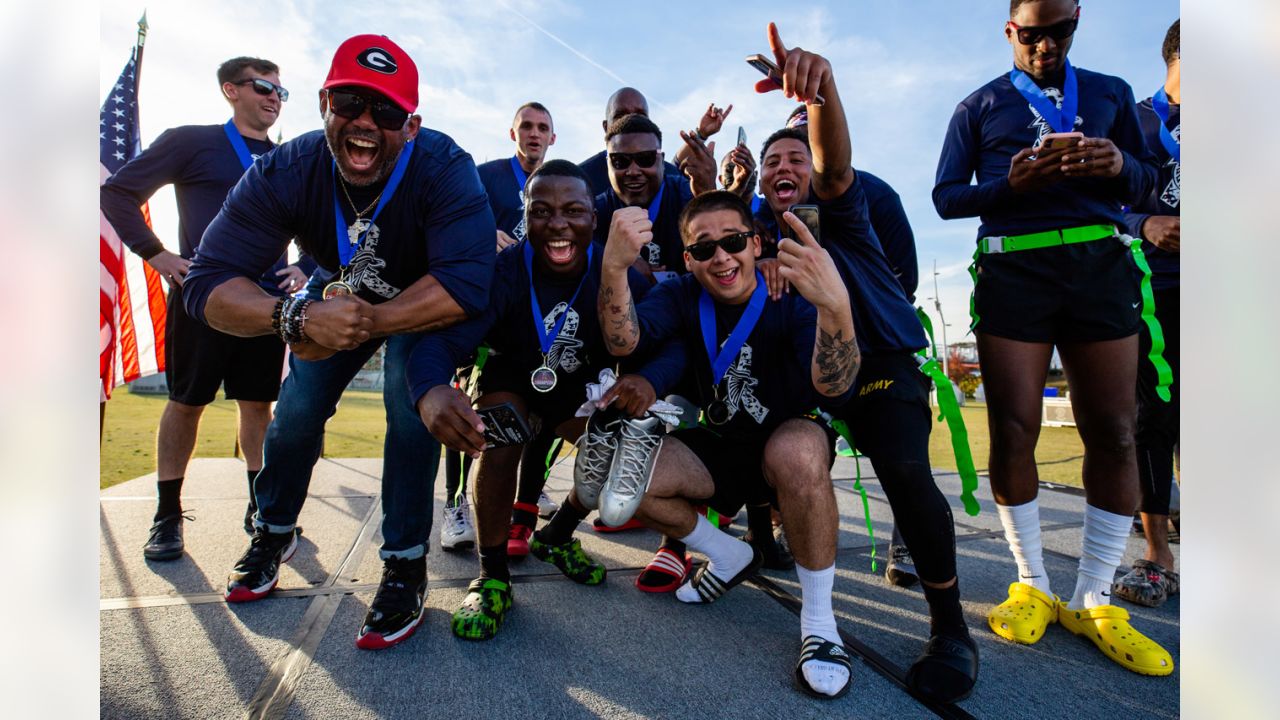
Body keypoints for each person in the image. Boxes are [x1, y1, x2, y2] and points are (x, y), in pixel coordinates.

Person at [182, 34, 495, 651]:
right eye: (351, 102)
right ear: (324, 101)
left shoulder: (444, 166)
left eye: (387, 112)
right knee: (297, 406)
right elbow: (206, 284)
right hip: (337, 285)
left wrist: (367, 324)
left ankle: (405, 562)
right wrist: (294, 319)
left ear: (413, 124)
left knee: (408, 414)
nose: (365, 124)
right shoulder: (287, 169)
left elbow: (467, 282)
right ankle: (273, 527)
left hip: (419, 299)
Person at [932, 0, 1173, 676]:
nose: (1044, 46)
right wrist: (1007, 185)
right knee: (1014, 427)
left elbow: (1152, 183)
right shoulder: (977, 106)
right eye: (1031, 34)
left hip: (1099, 259)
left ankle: (1095, 595)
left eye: (1058, 31)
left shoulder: (1110, 93)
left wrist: (1118, 164)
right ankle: (1032, 581)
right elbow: (947, 197)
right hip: (1015, 263)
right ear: (1010, 31)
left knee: (1116, 429)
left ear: (1075, 25)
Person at [750, 23, 980, 703]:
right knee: (765, 433)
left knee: (905, 469)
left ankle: (951, 627)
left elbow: (835, 163)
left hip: (877, 362)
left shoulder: (848, 211)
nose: (785, 168)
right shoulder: (752, 235)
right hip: (808, 372)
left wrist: (822, 92)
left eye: (797, 158)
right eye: (772, 162)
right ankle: (763, 540)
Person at [598, 189, 859, 699]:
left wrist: (835, 306)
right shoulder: (679, 295)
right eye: (703, 248)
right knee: (621, 478)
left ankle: (820, 624)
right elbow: (623, 343)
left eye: (734, 241)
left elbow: (835, 387)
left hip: (786, 435)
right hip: (719, 442)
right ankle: (728, 555)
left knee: (797, 452)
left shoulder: (791, 291)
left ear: (756, 242)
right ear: (687, 259)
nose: (720, 256)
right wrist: (613, 268)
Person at [410, 160, 684, 640]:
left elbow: (671, 340)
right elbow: (442, 342)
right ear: (525, 215)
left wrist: (649, 379)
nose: (558, 224)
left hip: (581, 392)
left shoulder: (617, 269)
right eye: (542, 211)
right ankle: (492, 575)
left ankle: (558, 534)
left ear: (594, 218)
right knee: (498, 433)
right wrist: (429, 390)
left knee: (624, 455)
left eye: (573, 210)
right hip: (513, 383)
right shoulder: (503, 272)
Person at [101, 55, 313, 562]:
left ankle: (261, 509)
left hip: (265, 305)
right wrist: (158, 255)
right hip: (203, 296)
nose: (273, 98)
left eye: (280, 93)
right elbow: (117, 193)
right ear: (229, 90)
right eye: (263, 87)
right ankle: (167, 516)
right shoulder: (190, 141)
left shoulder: (289, 159)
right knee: (186, 402)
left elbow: (320, 225)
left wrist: (305, 264)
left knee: (258, 406)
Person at [772, 105, 926, 588]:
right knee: (804, 432)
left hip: (875, 341)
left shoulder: (871, 191)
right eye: (788, 146)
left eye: (805, 146)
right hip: (806, 341)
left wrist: (863, 308)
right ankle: (785, 522)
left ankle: (910, 540)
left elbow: (905, 273)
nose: (795, 164)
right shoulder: (768, 207)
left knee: (900, 449)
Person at [451, 101, 563, 558]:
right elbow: (453, 219)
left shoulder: (559, 179)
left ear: (553, 138)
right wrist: (483, 234)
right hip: (492, 309)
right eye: (526, 127)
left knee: (546, 409)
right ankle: (457, 503)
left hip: (541, 316)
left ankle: (528, 495)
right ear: (512, 133)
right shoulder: (486, 175)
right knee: (471, 408)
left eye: (543, 128)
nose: (534, 134)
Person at [1114, 18, 1180, 609]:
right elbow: (1100, 205)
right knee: (1153, 416)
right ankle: (1158, 553)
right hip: (1157, 291)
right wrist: (1146, 224)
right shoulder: (1137, 120)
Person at [593, 114, 717, 282]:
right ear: (607, 164)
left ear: (662, 160)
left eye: (645, 159)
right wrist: (616, 266)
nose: (633, 171)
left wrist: (708, 196)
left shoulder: (690, 197)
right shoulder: (594, 215)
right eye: (620, 161)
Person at [578, 87, 684, 196]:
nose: (631, 121)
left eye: (640, 115)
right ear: (606, 127)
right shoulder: (580, 179)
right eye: (621, 116)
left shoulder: (676, 179)